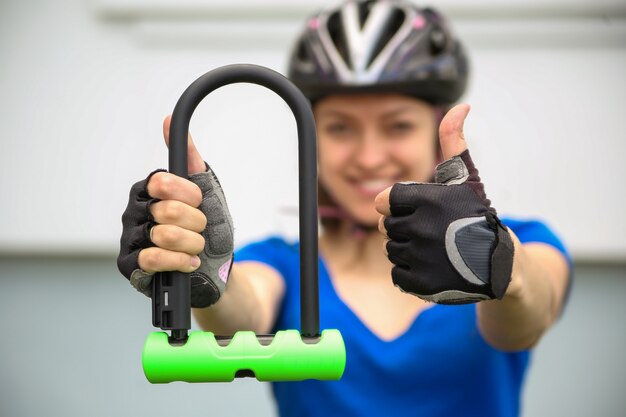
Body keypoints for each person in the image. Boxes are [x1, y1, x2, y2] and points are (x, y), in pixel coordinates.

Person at [117, 1, 571, 416]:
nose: (370, 157)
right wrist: (201, 272)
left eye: (397, 125)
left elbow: (526, 318)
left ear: (435, 131)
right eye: (341, 128)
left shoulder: (528, 241)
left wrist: (496, 260)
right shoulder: (283, 264)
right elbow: (241, 308)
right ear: (311, 138)